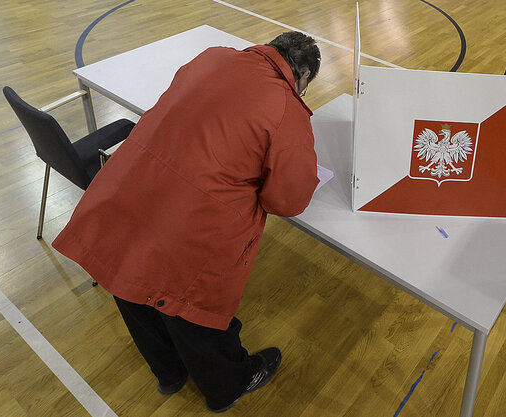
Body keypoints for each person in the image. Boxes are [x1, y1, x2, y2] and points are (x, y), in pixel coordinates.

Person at [52, 31, 321, 412]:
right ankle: (228, 383)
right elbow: (287, 200)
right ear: (303, 75)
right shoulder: (286, 109)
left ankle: (169, 372)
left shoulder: (213, 56)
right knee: (188, 304)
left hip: (124, 191)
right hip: (189, 226)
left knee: (130, 281)